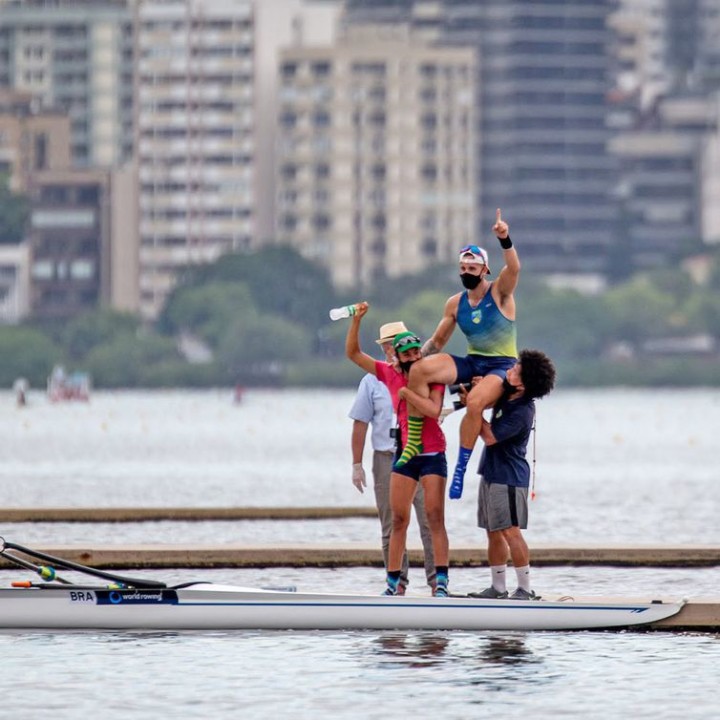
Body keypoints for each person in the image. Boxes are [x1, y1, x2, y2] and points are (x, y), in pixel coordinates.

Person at [395, 209, 521, 505]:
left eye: (471, 268)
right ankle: (414, 439)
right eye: (462, 268)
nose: (466, 272)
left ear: (484, 270)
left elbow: (514, 269)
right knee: (420, 371)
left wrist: (505, 239)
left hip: (501, 365)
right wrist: (409, 361)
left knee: (475, 401)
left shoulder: (500, 293)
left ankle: (461, 467)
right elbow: (438, 341)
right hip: (473, 360)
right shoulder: (455, 303)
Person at [345, 302, 451, 597]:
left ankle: (439, 584)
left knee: (434, 518)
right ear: (390, 352)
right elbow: (353, 355)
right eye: (403, 351)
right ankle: (394, 585)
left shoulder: (432, 374)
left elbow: (433, 410)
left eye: (415, 350)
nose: (411, 355)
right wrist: (356, 321)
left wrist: (407, 393)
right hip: (397, 452)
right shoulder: (381, 376)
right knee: (397, 520)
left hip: (430, 452)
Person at [468, 349, 556, 600]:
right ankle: (497, 587)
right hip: (491, 472)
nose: (511, 369)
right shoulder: (510, 395)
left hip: (509, 477)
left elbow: (490, 436)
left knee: (510, 531)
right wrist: (478, 389)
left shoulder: (523, 411)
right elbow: (492, 397)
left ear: (525, 384)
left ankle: (525, 589)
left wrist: (475, 409)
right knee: (492, 531)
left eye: (517, 370)